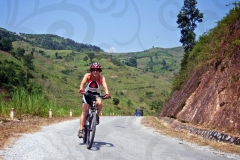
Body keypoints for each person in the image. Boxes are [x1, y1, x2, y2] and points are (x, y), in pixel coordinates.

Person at [78, 62, 111, 138]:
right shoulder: (87, 76)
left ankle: (97, 116)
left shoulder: (102, 78)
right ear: (91, 70)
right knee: (85, 111)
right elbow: (82, 83)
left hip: (96, 94)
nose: (95, 71)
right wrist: (81, 89)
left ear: (99, 71)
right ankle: (81, 130)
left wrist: (107, 94)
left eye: (97, 70)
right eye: (93, 70)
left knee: (99, 103)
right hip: (87, 94)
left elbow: (105, 86)